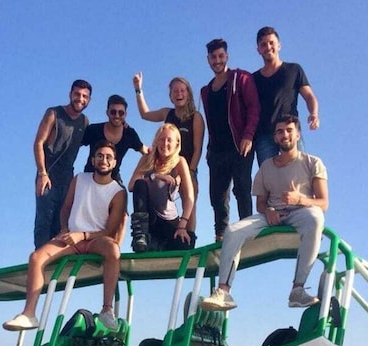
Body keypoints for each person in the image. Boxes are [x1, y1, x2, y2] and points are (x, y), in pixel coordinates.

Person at [201, 115, 328, 311]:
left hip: (301, 211)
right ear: (275, 138)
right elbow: (260, 203)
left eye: (289, 130)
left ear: (297, 134)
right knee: (233, 230)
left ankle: (297, 290)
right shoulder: (266, 166)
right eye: (279, 131)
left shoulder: (313, 162)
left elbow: (323, 202)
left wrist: (299, 199)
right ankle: (223, 291)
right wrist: (268, 211)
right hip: (272, 214)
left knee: (316, 217)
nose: (284, 134)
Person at [4, 141, 126, 332]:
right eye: (100, 156)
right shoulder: (79, 179)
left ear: (114, 162)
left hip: (96, 239)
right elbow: (66, 208)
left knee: (113, 249)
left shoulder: (118, 192)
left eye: (108, 157)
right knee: (36, 257)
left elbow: (110, 231)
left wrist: (83, 235)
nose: (104, 160)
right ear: (93, 160)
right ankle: (28, 314)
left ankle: (107, 309)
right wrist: (63, 228)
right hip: (71, 238)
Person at [200, 38, 260, 242]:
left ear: (227, 56)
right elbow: (210, 121)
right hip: (217, 150)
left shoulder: (241, 78)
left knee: (242, 187)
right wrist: (209, 149)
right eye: (213, 57)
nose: (217, 60)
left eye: (220, 56)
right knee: (217, 195)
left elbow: (254, 108)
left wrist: (248, 135)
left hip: (239, 144)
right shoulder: (206, 91)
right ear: (208, 60)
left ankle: (247, 229)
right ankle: (221, 234)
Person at [132, 73, 204, 233]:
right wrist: (138, 90)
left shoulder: (196, 117)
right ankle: (152, 233)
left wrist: (190, 173)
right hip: (165, 165)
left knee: (189, 199)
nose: (179, 94)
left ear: (188, 93)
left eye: (182, 90)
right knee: (159, 199)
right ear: (171, 96)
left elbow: (198, 148)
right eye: (175, 91)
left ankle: (189, 236)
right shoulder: (167, 113)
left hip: (187, 166)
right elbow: (145, 114)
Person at [32, 79, 92, 249]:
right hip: (48, 176)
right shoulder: (54, 113)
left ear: (89, 100)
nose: (80, 99)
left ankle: (57, 259)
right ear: (70, 94)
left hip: (67, 179)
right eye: (77, 94)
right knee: (45, 221)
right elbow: (38, 143)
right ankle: (41, 260)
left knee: (63, 222)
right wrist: (42, 173)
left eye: (84, 96)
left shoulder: (84, 122)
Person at [253, 26, 319, 166]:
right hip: (265, 136)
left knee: (298, 173)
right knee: (269, 177)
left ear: (279, 45)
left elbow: (309, 96)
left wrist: (314, 113)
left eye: (271, 43)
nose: (268, 47)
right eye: (263, 44)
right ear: (258, 49)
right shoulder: (253, 79)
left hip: (290, 130)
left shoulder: (294, 70)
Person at [127, 123, 196, 253]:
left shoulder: (179, 162)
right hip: (150, 218)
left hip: (169, 220)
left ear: (176, 143)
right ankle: (140, 236)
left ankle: (159, 245)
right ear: (156, 141)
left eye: (169, 140)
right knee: (140, 184)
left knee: (187, 243)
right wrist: (156, 176)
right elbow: (132, 185)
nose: (165, 144)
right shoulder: (147, 158)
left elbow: (189, 197)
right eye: (162, 139)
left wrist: (182, 225)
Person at [80, 94, 148, 185]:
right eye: (113, 112)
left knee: (122, 194)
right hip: (89, 179)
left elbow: (146, 151)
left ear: (125, 114)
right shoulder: (93, 130)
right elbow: (74, 145)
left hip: (113, 180)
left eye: (121, 113)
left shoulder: (129, 134)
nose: (117, 115)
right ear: (107, 112)